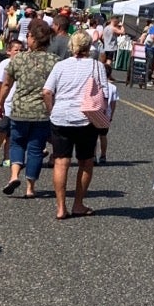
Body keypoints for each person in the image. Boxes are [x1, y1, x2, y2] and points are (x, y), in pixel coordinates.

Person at [43, 28, 108, 218]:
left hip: (61, 116)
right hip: (86, 118)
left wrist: (51, 110)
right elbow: (104, 92)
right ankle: (78, 204)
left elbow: (47, 91)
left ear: (72, 46)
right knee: (86, 162)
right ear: (89, 46)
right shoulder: (97, 66)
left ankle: (60, 207)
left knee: (61, 162)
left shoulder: (60, 66)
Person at [1, 19, 57, 198]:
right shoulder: (55, 61)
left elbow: (7, 84)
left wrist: (0, 103)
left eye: (29, 36)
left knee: (17, 143)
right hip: (42, 111)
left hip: (20, 109)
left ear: (33, 38)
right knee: (35, 148)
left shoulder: (19, 59)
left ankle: (14, 175)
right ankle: (30, 187)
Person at [0, 36, 20, 165]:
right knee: (1, 128)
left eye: (21, 50)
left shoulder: (22, 65)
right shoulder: (3, 65)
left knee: (12, 132)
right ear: (9, 51)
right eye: (16, 50)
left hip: (16, 102)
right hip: (4, 102)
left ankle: (7, 156)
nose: (19, 53)